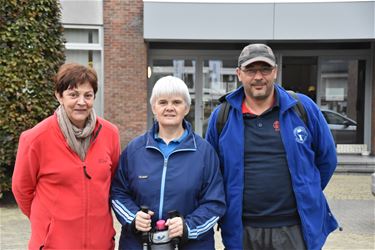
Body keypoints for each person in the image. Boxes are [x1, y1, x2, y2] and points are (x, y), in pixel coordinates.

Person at [205, 44, 338, 250]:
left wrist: (306, 189)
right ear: (239, 73)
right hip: (242, 230)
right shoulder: (222, 116)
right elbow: (211, 171)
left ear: (275, 72)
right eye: (250, 70)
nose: (258, 76)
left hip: (295, 229)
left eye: (265, 69)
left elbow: (327, 159)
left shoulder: (302, 108)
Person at [12, 63, 121, 249]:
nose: (81, 102)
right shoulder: (35, 139)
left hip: (101, 244)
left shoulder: (110, 134)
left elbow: (113, 184)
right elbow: (22, 190)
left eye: (88, 95)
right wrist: (48, 223)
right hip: (53, 244)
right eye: (73, 94)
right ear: (59, 96)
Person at [111, 76, 226, 250]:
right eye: (163, 102)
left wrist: (188, 227)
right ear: (153, 107)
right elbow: (118, 192)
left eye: (177, 102)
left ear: (186, 108)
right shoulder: (134, 150)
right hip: (138, 244)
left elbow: (214, 202)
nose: (169, 108)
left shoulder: (204, 153)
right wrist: (133, 218)